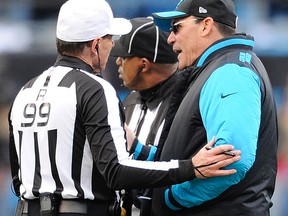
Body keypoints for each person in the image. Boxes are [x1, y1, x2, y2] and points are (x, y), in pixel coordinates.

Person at [8, 0, 241, 215]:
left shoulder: (26, 91)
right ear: (95, 44)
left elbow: (18, 178)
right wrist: (190, 168)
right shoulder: (94, 88)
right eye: (110, 39)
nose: (113, 50)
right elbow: (116, 170)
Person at [136, 0, 278, 215]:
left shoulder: (230, 71)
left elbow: (232, 160)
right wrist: (137, 149)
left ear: (206, 25)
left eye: (177, 27)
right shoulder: (217, 68)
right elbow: (190, 145)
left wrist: (170, 198)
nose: (171, 38)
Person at [110, 17, 179, 216]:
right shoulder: (131, 100)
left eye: (124, 56)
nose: (117, 61)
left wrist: (136, 147)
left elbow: (184, 166)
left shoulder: (185, 101)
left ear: (144, 64)